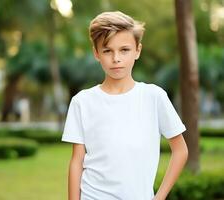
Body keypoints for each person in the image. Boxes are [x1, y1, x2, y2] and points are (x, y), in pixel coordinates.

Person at [61, 11, 188, 200]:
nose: (116, 58)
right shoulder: (82, 102)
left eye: (124, 50)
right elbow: (76, 162)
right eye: (107, 50)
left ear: (138, 50)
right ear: (96, 53)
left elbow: (181, 151)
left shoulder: (154, 97)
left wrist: (159, 197)